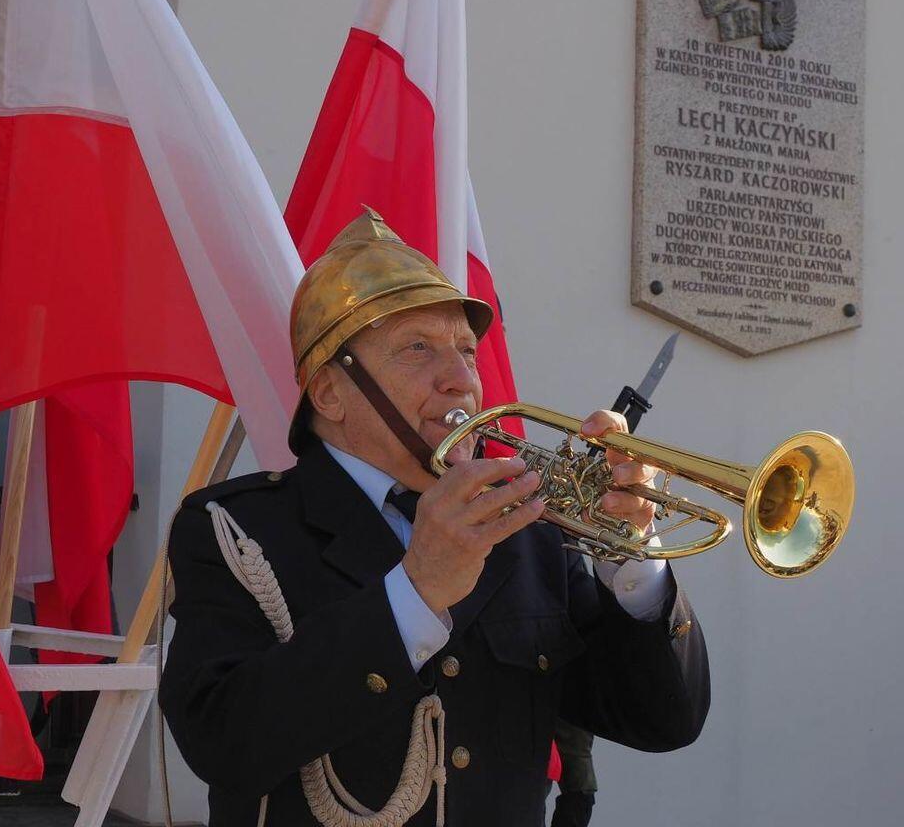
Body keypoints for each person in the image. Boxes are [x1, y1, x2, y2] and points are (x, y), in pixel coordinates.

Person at [160, 209, 710, 827]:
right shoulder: (236, 531)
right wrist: (415, 591)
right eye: (417, 348)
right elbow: (223, 742)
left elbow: (662, 720)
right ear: (330, 394)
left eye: (467, 351)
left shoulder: (529, 532)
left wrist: (630, 554)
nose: (461, 381)